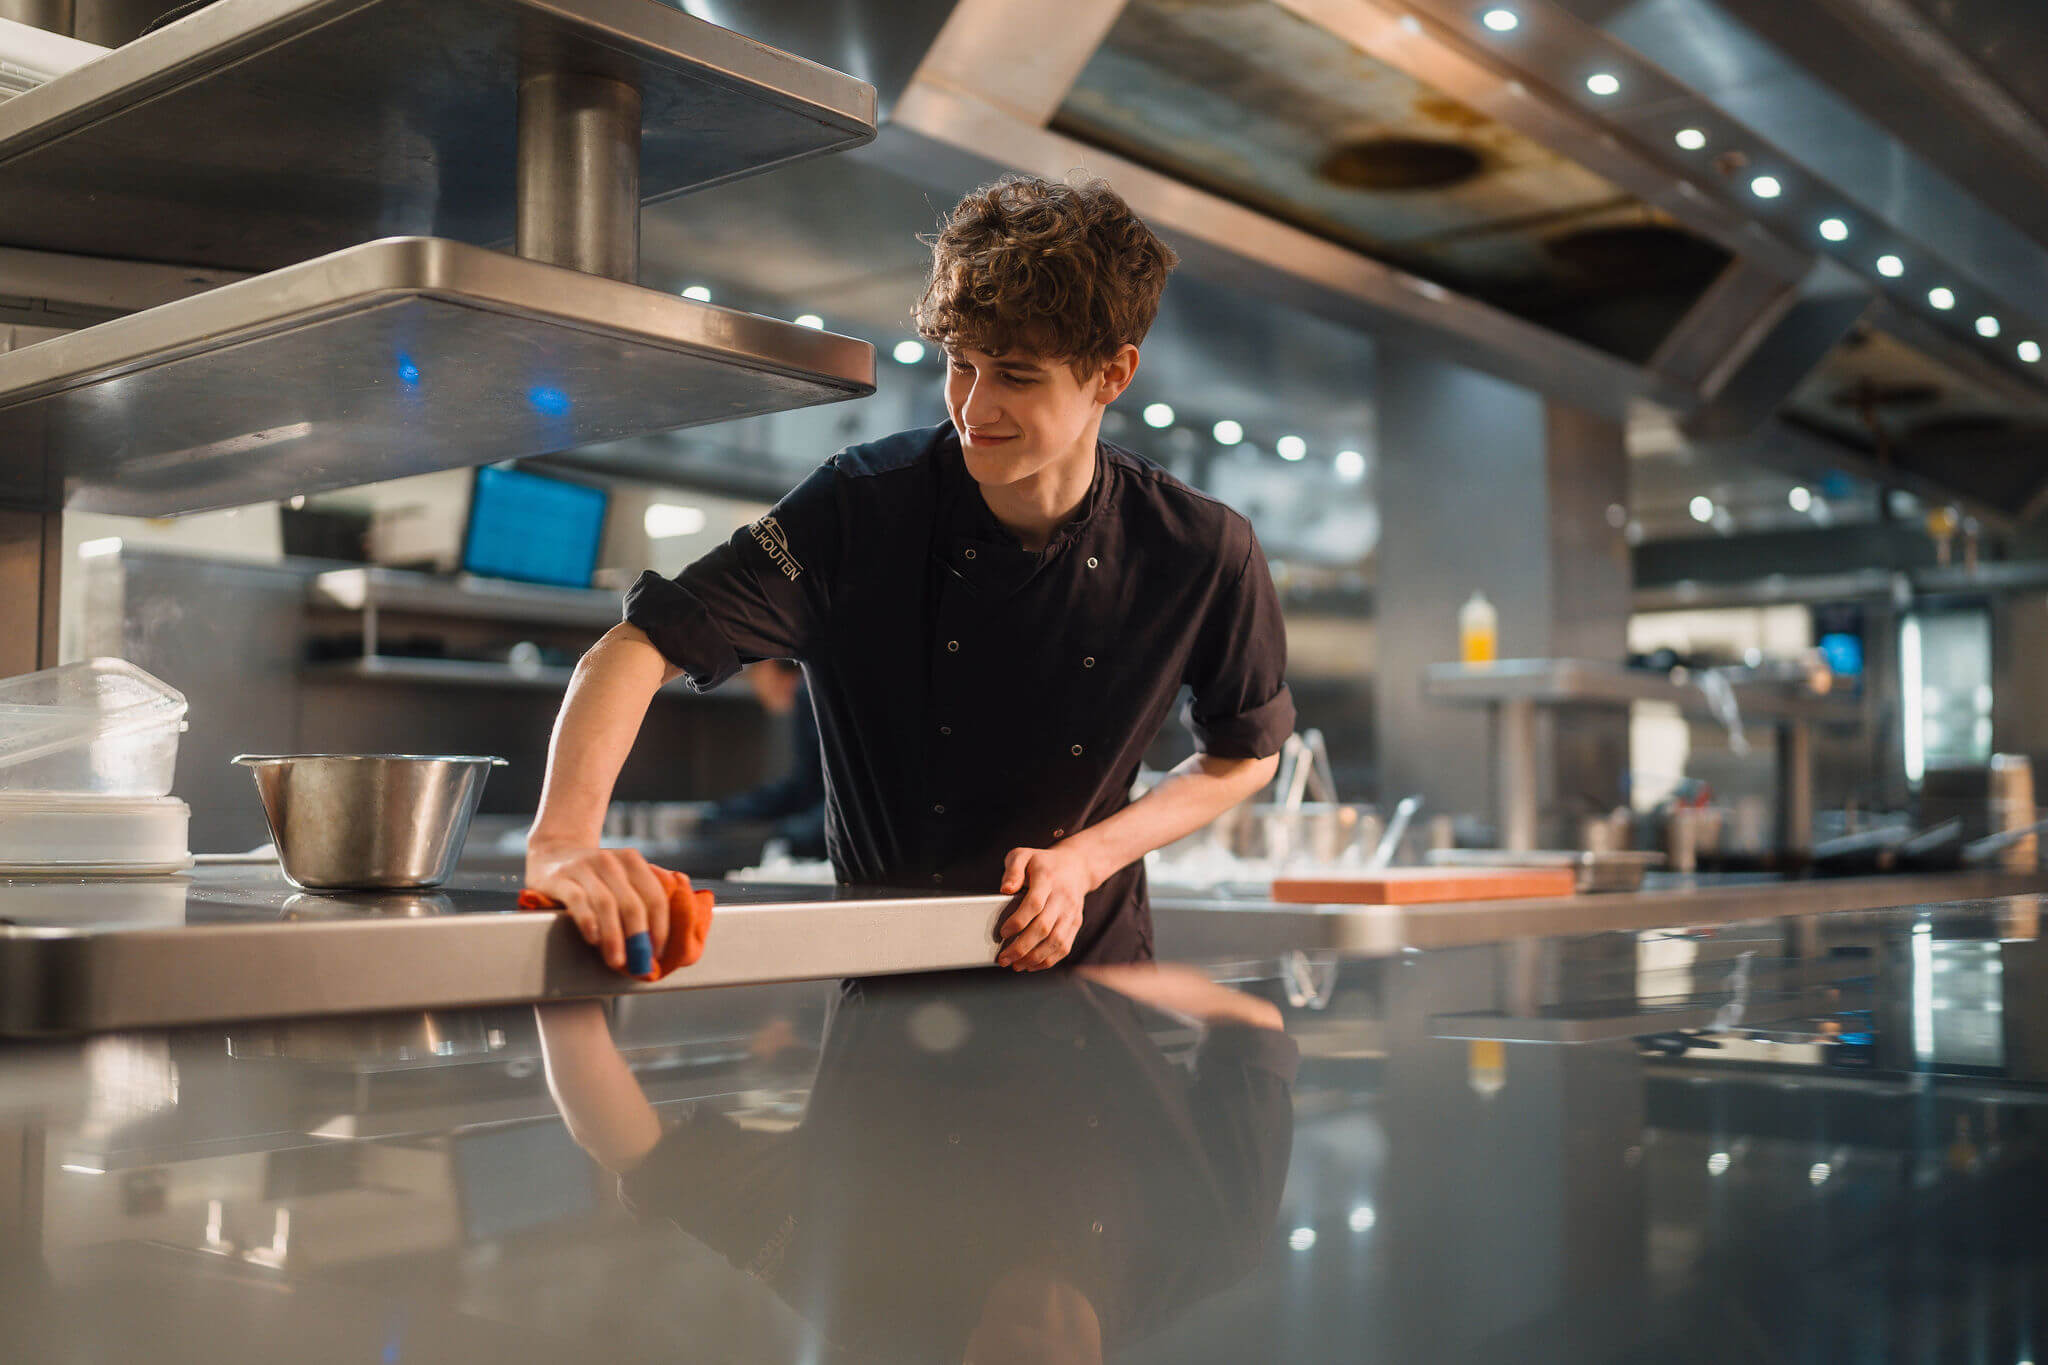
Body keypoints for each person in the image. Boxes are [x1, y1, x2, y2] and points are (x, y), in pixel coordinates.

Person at [525, 173, 1294, 973]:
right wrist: (563, 842)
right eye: (961, 365)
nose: (973, 408)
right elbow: (638, 645)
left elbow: (1245, 751)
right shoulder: (860, 507)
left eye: (1016, 375)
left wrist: (1087, 858)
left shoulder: (1200, 548)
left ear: (1111, 374)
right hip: (886, 978)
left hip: (1096, 978)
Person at [534, 965, 1298, 1362]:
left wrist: (551, 963)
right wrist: (1094, 967)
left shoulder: (869, 1293)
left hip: (899, 854)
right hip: (1088, 845)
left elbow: (635, 1147)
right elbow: (1253, 1028)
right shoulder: (1213, 1241)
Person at [699, 659, 828, 861]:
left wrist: (787, 834)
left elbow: (843, 795)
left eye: (752, 675)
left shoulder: (812, 695)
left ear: (769, 663)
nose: (753, 686)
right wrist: (729, 811)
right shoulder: (810, 697)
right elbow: (805, 786)